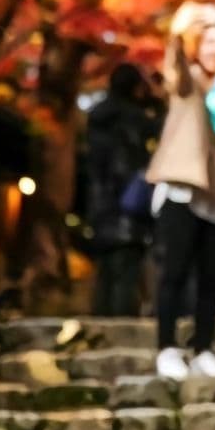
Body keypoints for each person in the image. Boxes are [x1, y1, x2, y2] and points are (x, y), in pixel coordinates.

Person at [146, 3, 215, 381]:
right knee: (174, 273)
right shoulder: (187, 82)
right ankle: (167, 347)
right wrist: (180, 30)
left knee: (210, 278)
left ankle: (203, 348)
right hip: (182, 189)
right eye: (211, 41)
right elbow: (176, 63)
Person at [85, 62, 155, 317]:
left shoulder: (97, 117)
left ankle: (101, 319)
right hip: (129, 203)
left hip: (100, 204)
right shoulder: (135, 118)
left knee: (106, 270)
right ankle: (122, 319)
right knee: (127, 271)